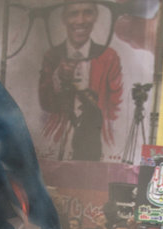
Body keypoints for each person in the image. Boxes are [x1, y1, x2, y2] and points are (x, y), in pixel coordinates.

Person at [38, 1, 122, 160]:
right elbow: (45, 103)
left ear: (96, 16)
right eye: (73, 14)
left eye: (87, 12)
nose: (81, 20)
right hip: (59, 144)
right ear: (64, 18)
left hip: (92, 142)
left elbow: (115, 107)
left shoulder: (108, 56)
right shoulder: (52, 56)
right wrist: (57, 77)